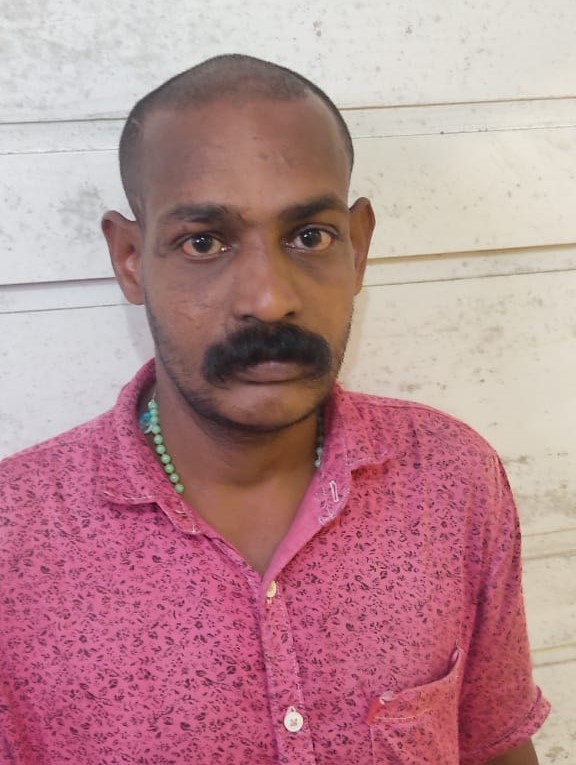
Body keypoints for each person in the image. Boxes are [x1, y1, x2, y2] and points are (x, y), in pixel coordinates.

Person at [0, 54, 549, 764]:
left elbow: (496, 742)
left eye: (309, 236)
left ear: (358, 248)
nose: (268, 297)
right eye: (204, 242)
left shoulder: (450, 478)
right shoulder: (17, 539)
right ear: (131, 259)